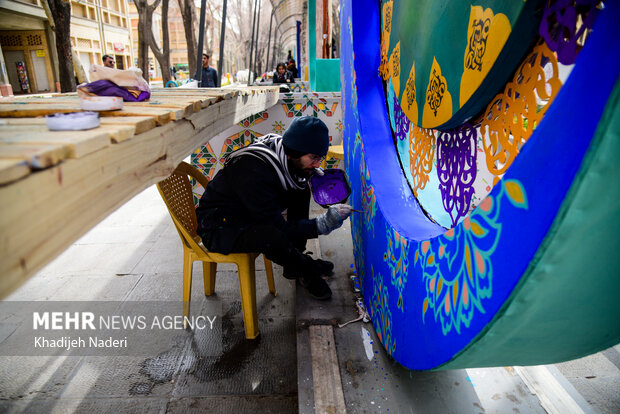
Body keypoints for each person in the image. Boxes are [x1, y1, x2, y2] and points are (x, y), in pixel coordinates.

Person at [196, 116, 353, 300]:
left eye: (320, 158)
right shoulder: (252, 169)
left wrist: (309, 176)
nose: (317, 164)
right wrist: (322, 224)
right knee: (270, 235)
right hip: (219, 226)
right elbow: (278, 227)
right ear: (295, 152)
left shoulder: (282, 152)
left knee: (300, 189)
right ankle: (305, 268)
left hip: (244, 211)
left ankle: (295, 261)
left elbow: (292, 183)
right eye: (313, 158)